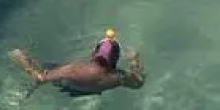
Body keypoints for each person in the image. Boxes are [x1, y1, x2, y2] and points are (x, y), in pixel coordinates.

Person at [11, 29, 145, 96]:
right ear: (115, 59)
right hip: (89, 92)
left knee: (17, 54)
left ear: (94, 54)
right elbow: (138, 83)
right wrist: (135, 61)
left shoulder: (75, 70)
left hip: (69, 86)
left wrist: (21, 58)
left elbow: (41, 78)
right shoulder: (118, 77)